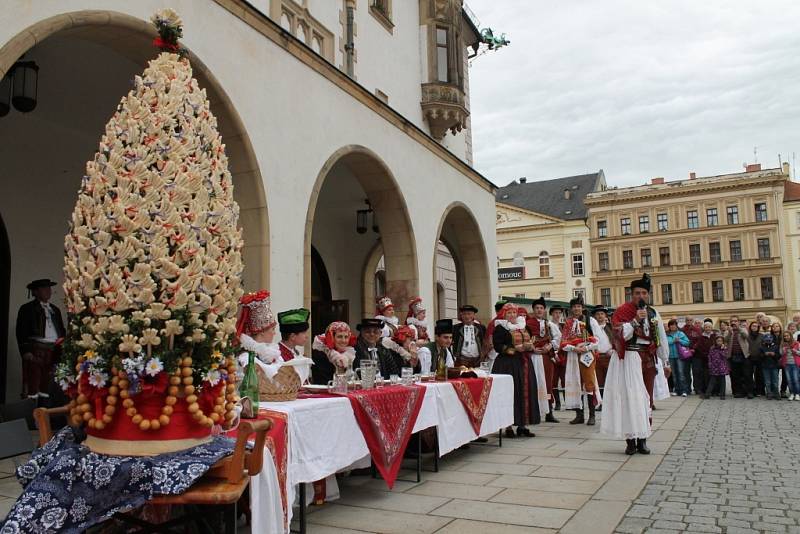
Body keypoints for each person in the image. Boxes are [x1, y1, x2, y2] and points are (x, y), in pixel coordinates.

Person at [604, 273, 669, 455]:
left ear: (648, 295)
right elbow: (617, 334)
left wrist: (665, 360)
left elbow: (660, 337)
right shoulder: (622, 311)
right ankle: (630, 440)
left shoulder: (654, 312)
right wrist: (634, 321)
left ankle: (643, 438)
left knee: (646, 399)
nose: (641, 296)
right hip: (629, 359)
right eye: (637, 293)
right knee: (630, 399)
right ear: (631, 295)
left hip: (647, 358)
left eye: (644, 293)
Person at [15, 279, 66, 400]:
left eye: (49, 288)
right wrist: (25, 351)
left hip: (54, 352)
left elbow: (61, 330)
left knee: (51, 386)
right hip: (36, 351)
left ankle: (49, 414)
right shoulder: (27, 309)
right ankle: (33, 415)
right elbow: (21, 331)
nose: (48, 291)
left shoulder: (55, 310)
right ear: (35, 292)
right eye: (44, 288)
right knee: (34, 386)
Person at [492, 303, 537, 437]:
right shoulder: (500, 328)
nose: (512, 315)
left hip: (523, 363)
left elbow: (530, 341)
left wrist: (529, 346)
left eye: (514, 312)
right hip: (507, 364)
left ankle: (522, 425)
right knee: (510, 393)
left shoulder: (524, 326)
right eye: (509, 313)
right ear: (504, 315)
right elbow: (498, 346)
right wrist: (514, 349)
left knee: (525, 392)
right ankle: (508, 426)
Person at [560, 298, 600, 426]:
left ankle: (592, 415)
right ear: (571, 309)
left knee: (589, 383)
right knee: (575, 383)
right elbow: (563, 342)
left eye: (579, 306)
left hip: (587, 355)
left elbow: (598, 339)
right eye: (574, 306)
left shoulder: (590, 320)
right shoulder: (568, 323)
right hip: (573, 355)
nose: (577, 309)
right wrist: (574, 348)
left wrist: (586, 348)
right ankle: (579, 415)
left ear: (582, 307)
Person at [527, 297, 561, 423]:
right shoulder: (527, 324)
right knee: (534, 384)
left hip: (546, 358)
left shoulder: (549, 324)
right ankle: (533, 412)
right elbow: (525, 339)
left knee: (547, 384)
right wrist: (532, 348)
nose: (539, 310)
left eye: (541, 308)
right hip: (534, 357)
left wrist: (550, 346)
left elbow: (557, 339)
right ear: (533, 310)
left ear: (544, 310)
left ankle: (549, 411)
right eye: (537, 308)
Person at [236, 290, 282, 372]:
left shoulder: (273, 354)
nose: (274, 333)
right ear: (263, 331)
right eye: (272, 329)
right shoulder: (246, 358)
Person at [591, 306, 614, 406]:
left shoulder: (611, 328)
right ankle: (601, 402)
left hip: (609, 357)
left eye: (602, 314)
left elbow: (616, 341)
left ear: (605, 316)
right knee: (599, 380)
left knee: (610, 380)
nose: (600, 316)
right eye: (597, 314)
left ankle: (610, 402)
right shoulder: (592, 329)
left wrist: (613, 349)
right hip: (597, 357)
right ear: (595, 317)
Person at [725, 316, 751, 399]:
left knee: (747, 374)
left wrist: (739, 329)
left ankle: (749, 392)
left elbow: (746, 336)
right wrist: (729, 332)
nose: (734, 323)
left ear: (738, 322)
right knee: (735, 375)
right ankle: (738, 392)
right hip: (733, 356)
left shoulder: (743, 329)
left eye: (735, 321)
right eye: (732, 321)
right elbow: (725, 340)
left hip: (744, 355)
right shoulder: (728, 331)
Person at [666, 319, 691, 397]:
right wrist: (673, 341)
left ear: (676, 326)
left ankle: (684, 390)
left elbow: (687, 342)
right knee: (674, 374)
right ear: (669, 326)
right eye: (671, 325)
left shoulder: (681, 333)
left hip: (679, 356)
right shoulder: (667, 334)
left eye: (674, 325)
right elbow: (666, 343)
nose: (672, 326)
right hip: (671, 356)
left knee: (681, 373)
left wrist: (679, 340)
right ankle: (677, 390)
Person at [550, 305, 567, 410]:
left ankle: (567, 402)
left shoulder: (563, 326)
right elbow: (549, 340)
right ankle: (557, 403)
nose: (557, 315)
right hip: (553, 354)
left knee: (565, 379)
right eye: (555, 313)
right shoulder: (548, 325)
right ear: (551, 314)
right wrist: (554, 353)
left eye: (559, 313)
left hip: (563, 354)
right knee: (553, 381)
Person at [760, 323, 782, 400]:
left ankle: (776, 393)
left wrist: (774, 354)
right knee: (767, 382)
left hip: (774, 366)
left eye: (770, 338)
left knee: (775, 381)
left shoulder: (775, 347)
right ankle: (769, 393)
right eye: (766, 339)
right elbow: (760, 357)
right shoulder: (762, 347)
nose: (768, 340)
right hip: (765, 367)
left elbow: (778, 356)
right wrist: (764, 354)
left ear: (772, 339)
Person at [780, 330, 800, 400]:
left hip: (795, 364)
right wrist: (783, 350)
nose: (786, 337)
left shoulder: (796, 343)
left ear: (790, 336)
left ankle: (797, 393)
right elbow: (781, 354)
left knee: (796, 379)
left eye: (787, 335)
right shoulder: (783, 344)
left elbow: (799, 353)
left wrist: (794, 351)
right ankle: (792, 393)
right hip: (786, 364)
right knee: (789, 380)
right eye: (784, 336)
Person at [747, 321, 765, 397]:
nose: (754, 327)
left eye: (756, 326)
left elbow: (764, 345)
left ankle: (759, 391)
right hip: (749, 357)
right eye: (753, 326)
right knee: (749, 375)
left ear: (758, 328)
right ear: (750, 327)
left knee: (759, 375)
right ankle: (750, 391)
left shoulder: (761, 336)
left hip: (759, 357)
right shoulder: (747, 335)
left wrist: (762, 354)